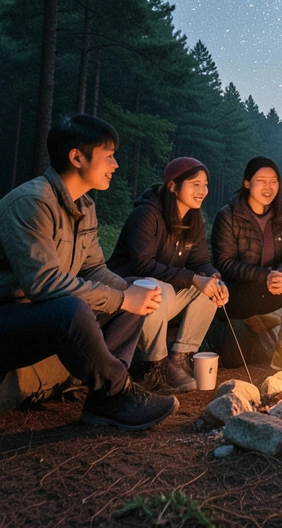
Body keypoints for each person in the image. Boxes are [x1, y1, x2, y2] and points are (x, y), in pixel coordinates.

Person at [0, 114, 176, 430]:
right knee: (75, 308)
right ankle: (117, 392)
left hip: (27, 318)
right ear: (77, 157)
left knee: (131, 289)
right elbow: (43, 284)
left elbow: (93, 269)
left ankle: (104, 399)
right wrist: (121, 300)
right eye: (109, 156)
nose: (115, 164)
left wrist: (131, 295)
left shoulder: (84, 207)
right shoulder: (32, 203)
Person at [107, 157, 229, 394]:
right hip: (130, 300)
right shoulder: (146, 214)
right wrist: (194, 278)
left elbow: (201, 262)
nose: (202, 191)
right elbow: (143, 266)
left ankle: (179, 359)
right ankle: (154, 367)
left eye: (205, 184)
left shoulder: (195, 219)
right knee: (154, 286)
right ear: (173, 186)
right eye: (195, 184)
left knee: (209, 289)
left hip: (165, 299)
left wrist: (213, 277)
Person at [211, 156, 282, 374]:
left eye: (274, 181)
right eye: (261, 180)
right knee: (233, 358)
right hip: (237, 295)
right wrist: (264, 275)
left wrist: (281, 275)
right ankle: (251, 324)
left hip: (270, 289)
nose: (268, 187)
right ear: (247, 183)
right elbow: (225, 263)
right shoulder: (227, 216)